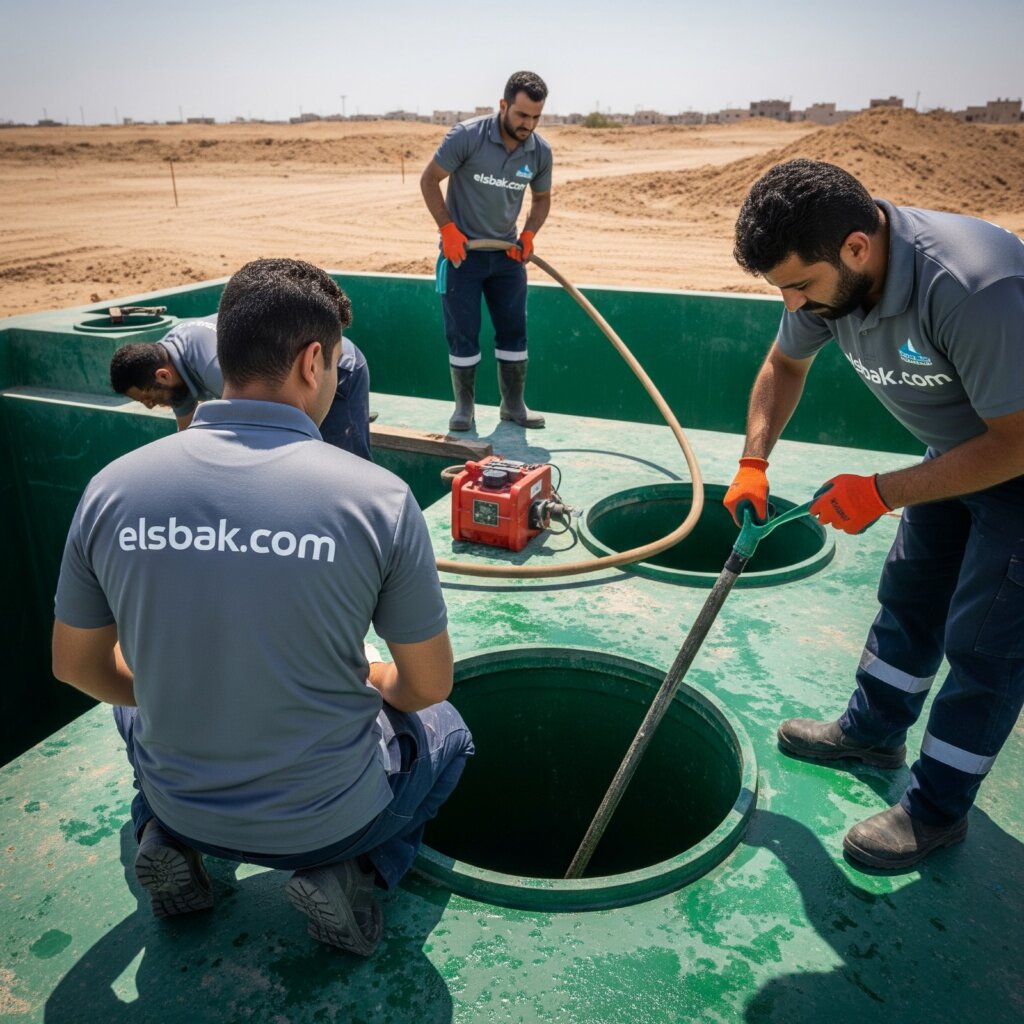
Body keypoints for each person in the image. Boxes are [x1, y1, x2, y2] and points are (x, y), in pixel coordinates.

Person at [53, 258, 474, 955]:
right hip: (328, 819)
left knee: (132, 703)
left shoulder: (112, 488)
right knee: (449, 733)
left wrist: (164, 691)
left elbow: (75, 666)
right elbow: (426, 686)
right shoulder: (378, 500)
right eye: (336, 365)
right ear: (313, 362)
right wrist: (375, 680)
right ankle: (354, 869)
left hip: (180, 801)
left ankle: (164, 839)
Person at [726, 159, 1024, 871]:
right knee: (910, 595)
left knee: (986, 644)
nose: (793, 306)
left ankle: (936, 810)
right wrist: (754, 459)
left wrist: (883, 491)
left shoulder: (973, 288)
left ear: (857, 249)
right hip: (955, 449)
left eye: (800, 286)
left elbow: (1016, 442)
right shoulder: (828, 279)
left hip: (1016, 457)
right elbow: (784, 366)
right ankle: (872, 731)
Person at [421, 70, 553, 432]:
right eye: (521, 115)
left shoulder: (539, 151)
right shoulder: (467, 137)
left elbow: (541, 199)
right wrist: (446, 229)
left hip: (508, 256)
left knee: (514, 331)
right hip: (463, 254)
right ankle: (464, 408)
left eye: (535, 117)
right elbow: (429, 180)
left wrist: (528, 234)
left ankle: (513, 406)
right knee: (462, 333)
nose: (528, 124)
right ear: (503, 105)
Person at [109, 313, 374, 460]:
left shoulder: (218, 367)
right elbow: (186, 436)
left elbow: (275, 425)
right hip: (290, 381)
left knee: (343, 463)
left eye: (149, 399)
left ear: (163, 376)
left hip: (333, 370)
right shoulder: (170, 357)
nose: (153, 406)